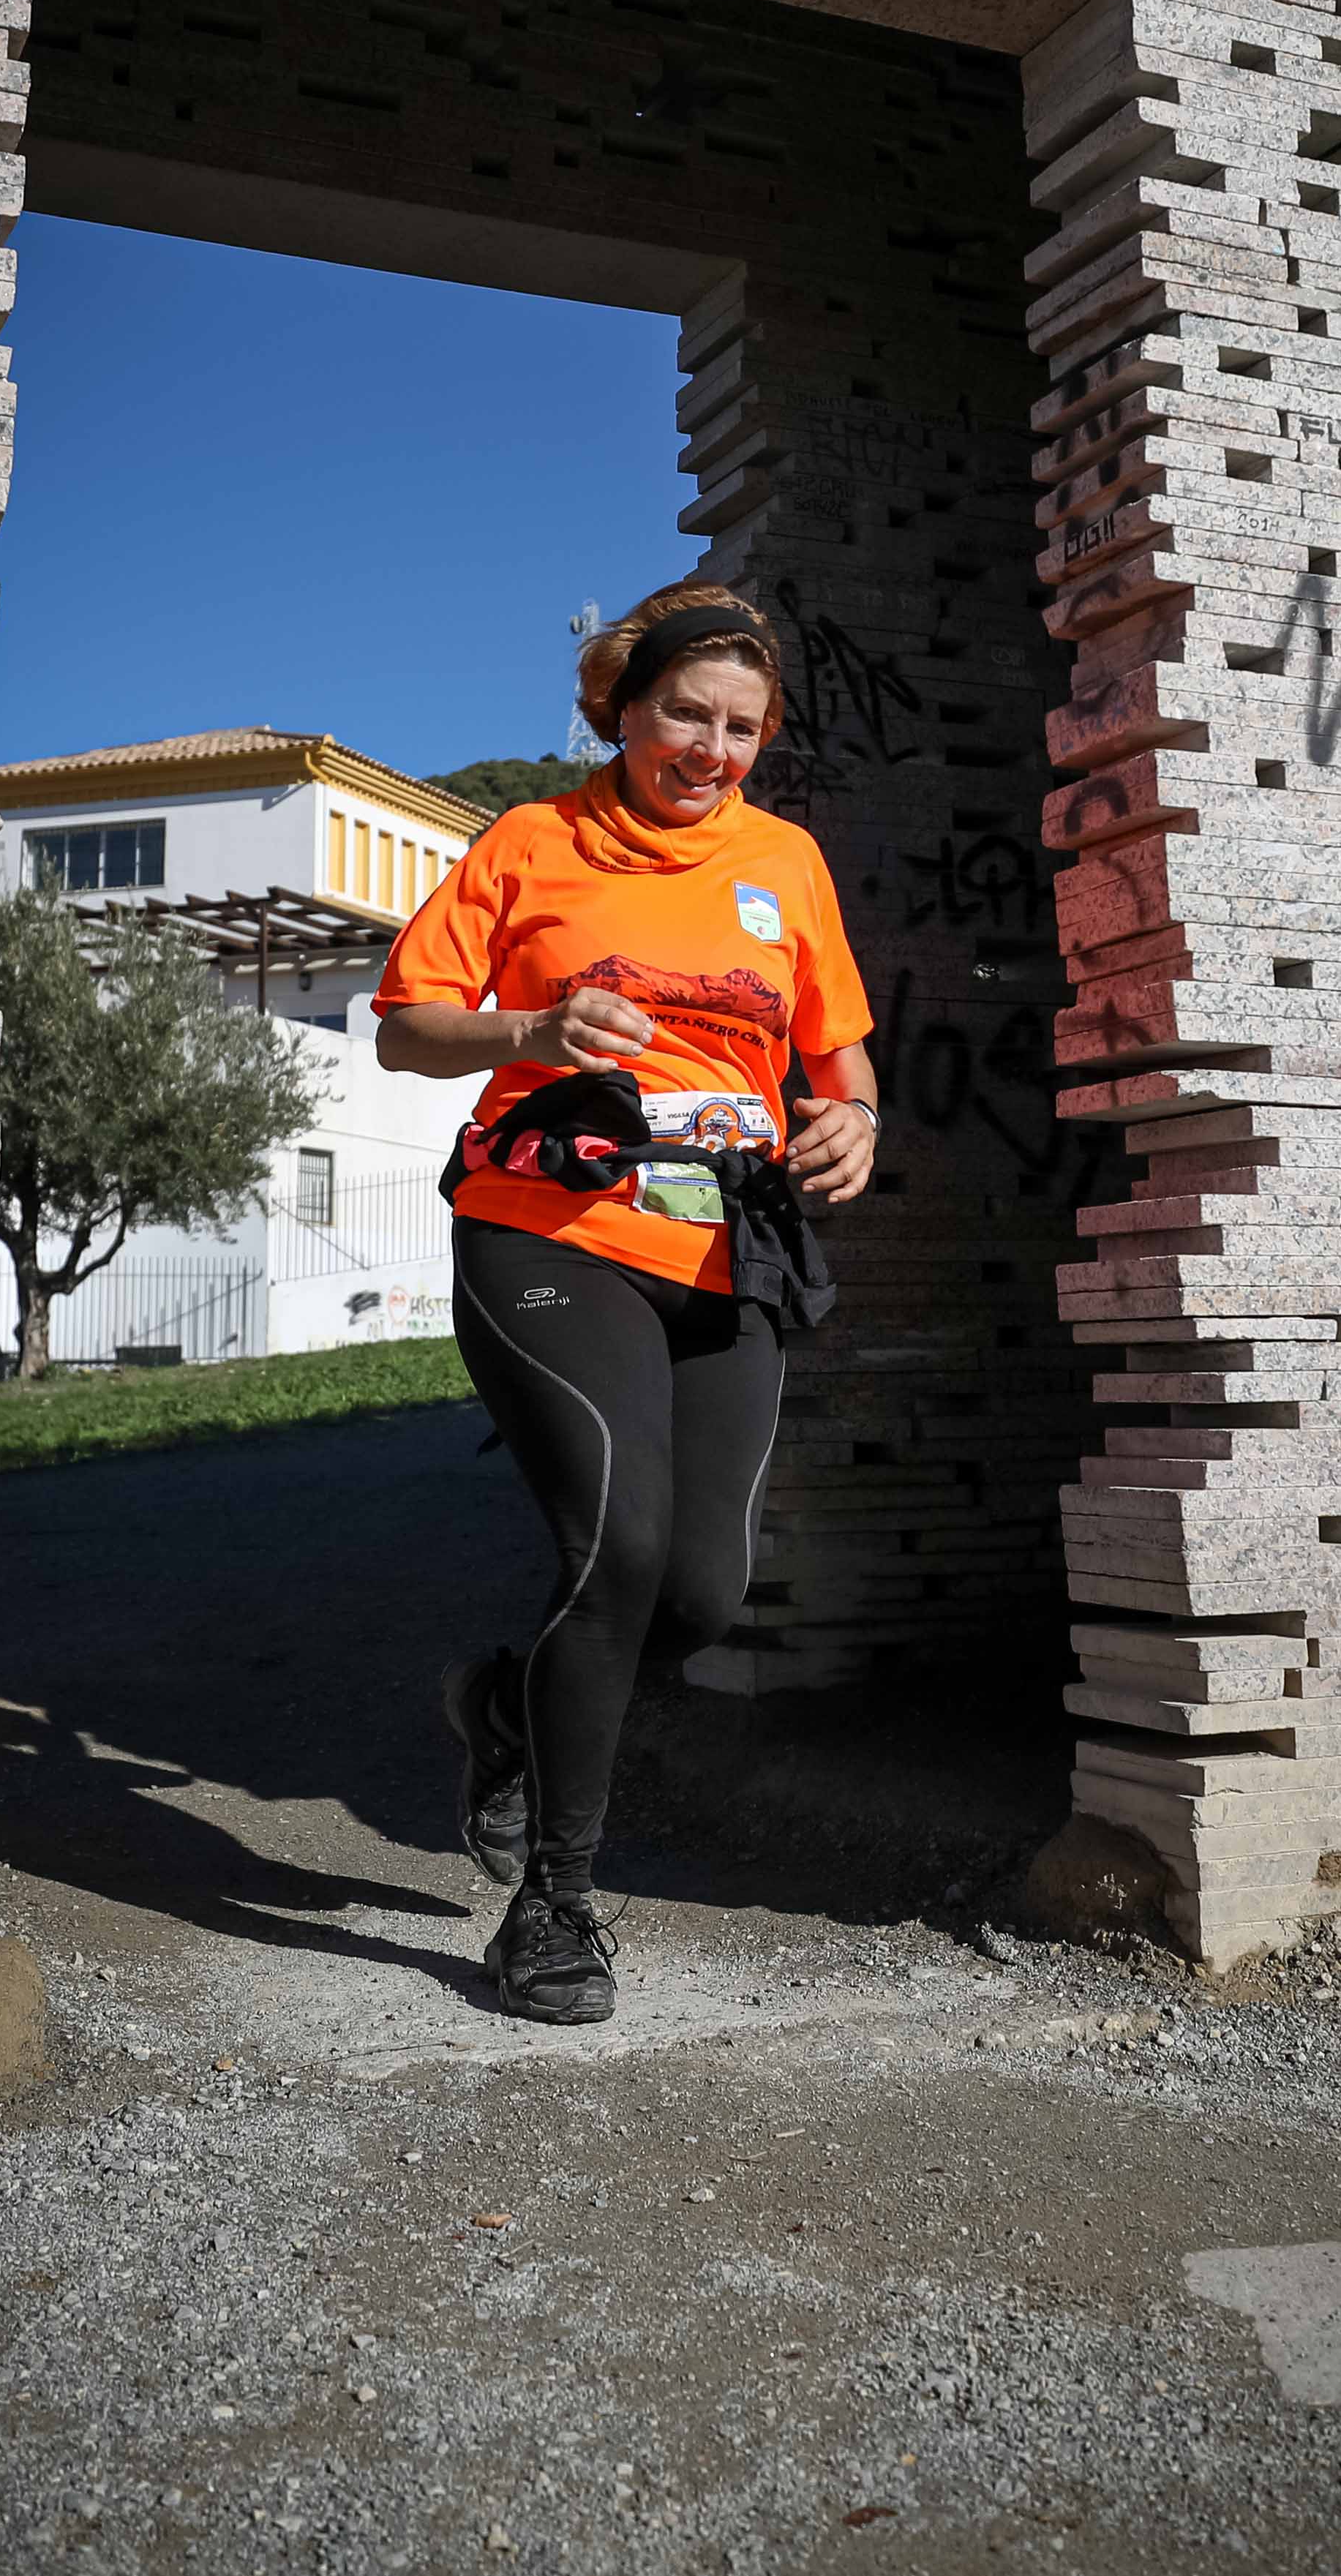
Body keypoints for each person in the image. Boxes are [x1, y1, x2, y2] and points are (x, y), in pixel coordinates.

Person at [374, 581, 879, 2026]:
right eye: (684, 714)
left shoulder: (782, 861)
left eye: (741, 727)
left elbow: (838, 1064)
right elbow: (410, 1023)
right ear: (622, 702)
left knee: (705, 1592)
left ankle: (504, 1709)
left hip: (727, 1249)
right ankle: (554, 1901)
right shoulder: (533, 840)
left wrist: (855, 1125)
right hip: (549, 1224)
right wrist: (530, 1026)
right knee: (616, 1542)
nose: (710, 748)